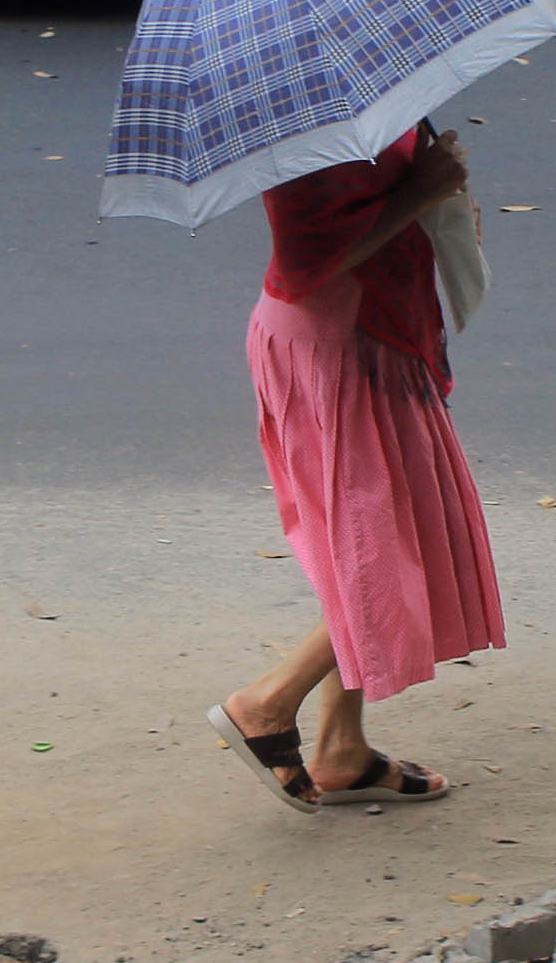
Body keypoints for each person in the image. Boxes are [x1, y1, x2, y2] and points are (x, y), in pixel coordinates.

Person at [209, 125, 500, 811]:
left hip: (377, 334)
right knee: (386, 554)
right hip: (337, 349)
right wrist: (418, 193)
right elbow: (311, 261)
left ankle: (342, 747)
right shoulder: (295, 131)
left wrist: (436, 192)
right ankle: (266, 703)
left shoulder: (363, 105)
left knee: (376, 546)